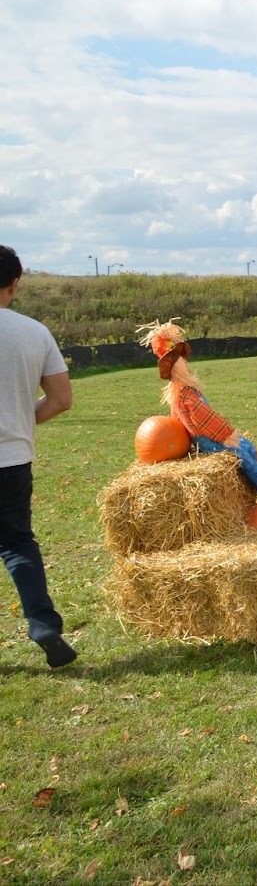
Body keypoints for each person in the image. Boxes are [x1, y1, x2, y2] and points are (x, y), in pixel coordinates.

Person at [137, 318, 257, 537]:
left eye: (182, 357)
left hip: (221, 443)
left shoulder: (182, 393)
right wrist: (228, 435)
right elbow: (206, 422)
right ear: (174, 367)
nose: (184, 362)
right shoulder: (185, 395)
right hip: (220, 445)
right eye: (178, 359)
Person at [0, 246, 77, 668]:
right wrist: (19, 422)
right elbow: (61, 399)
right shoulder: (33, 332)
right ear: (14, 284)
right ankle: (43, 624)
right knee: (16, 543)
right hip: (11, 457)